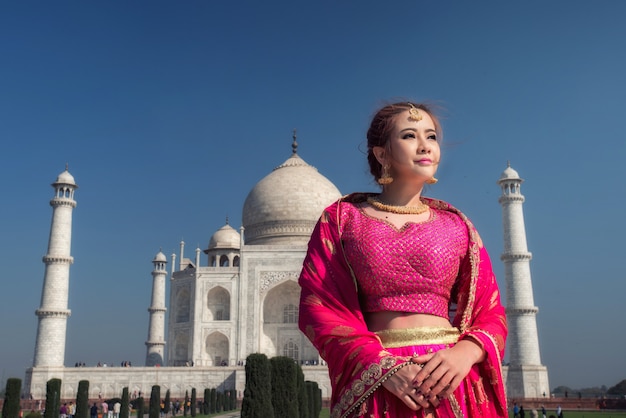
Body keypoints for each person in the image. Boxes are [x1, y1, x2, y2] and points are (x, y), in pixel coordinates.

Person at [298, 102, 508, 418]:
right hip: (379, 383)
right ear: (381, 154)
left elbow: (490, 311)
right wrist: (382, 368)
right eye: (410, 135)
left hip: (451, 379)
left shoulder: (457, 224)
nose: (425, 146)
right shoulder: (343, 219)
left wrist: (465, 353)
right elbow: (320, 307)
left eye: (432, 136)